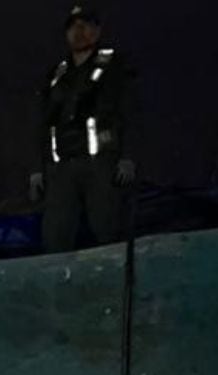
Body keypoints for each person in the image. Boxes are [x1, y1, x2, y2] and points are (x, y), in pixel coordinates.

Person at [32, 5, 137, 253]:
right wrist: (36, 169)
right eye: (73, 26)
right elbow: (41, 123)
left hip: (101, 164)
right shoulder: (57, 73)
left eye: (85, 25)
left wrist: (128, 157)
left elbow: (132, 111)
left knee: (107, 230)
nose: (78, 32)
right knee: (55, 236)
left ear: (97, 30)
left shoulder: (115, 65)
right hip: (61, 169)